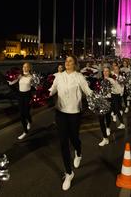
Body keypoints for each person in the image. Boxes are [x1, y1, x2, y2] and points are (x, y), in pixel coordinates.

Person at [49, 55, 93, 191]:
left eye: (70, 61)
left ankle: (78, 153)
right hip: (61, 113)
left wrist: (97, 97)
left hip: (74, 113)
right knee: (63, 142)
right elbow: (52, 90)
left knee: (74, 139)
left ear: (74, 64)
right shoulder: (59, 76)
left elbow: (87, 91)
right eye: (66, 61)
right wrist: (42, 94)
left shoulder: (79, 77)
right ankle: (69, 173)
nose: (67, 63)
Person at [8, 62, 33, 140]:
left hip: (28, 96)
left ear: (29, 68)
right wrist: (9, 81)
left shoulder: (31, 77)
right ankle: (25, 131)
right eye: (23, 67)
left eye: (26, 67)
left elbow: (36, 86)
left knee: (26, 113)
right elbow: (12, 82)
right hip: (20, 95)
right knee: (21, 114)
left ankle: (30, 121)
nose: (24, 68)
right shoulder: (20, 76)